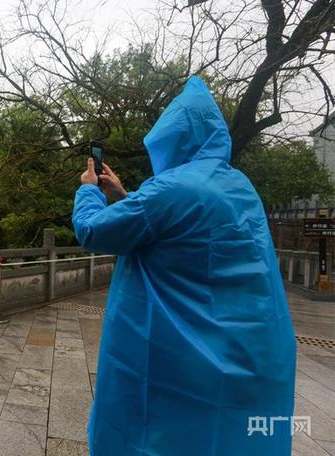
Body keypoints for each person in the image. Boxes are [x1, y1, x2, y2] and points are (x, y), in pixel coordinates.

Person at [73, 76, 296, 455]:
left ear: (171, 141)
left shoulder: (171, 190)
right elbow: (180, 233)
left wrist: (89, 190)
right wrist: (127, 196)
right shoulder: (239, 186)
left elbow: (93, 230)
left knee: (160, 436)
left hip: (183, 362)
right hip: (250, 355)